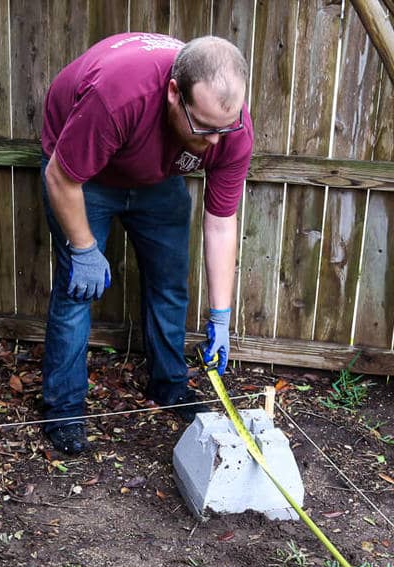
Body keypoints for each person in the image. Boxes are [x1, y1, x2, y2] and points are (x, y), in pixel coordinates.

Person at [39, 33, 253, 455]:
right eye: (204, 127)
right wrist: (83, 250)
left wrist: (222, 315)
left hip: (157, 176)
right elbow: (61, 177)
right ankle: (63, 410)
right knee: (77, 290)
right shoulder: (117, 96)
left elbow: (221, 222)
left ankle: (169, 386)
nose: (214, 141)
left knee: (169, 282)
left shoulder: (231, 130)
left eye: (223, 128)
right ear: (174, 93)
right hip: (83, 175)